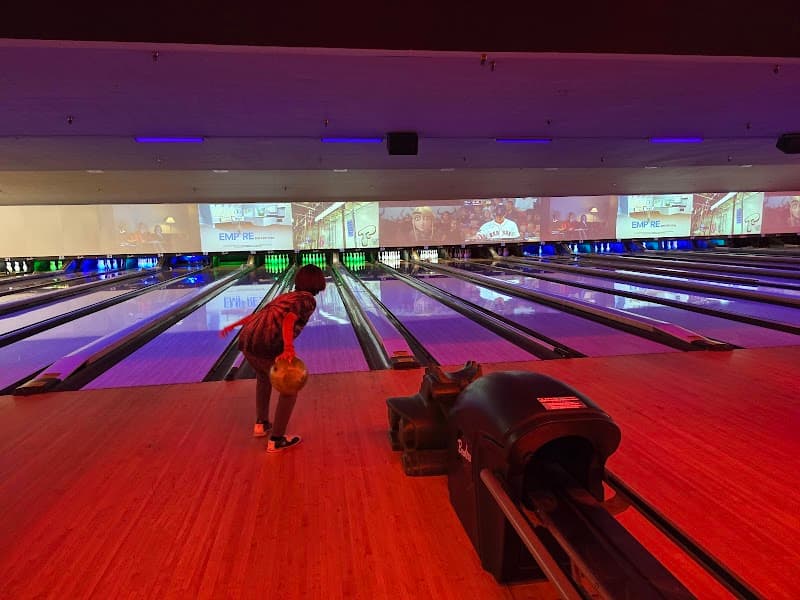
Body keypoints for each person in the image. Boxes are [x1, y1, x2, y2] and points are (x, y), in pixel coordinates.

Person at [220, 264, 326, 452]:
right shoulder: (307, 300)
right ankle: (277, 439)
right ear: (319, 282)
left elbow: (258, 315)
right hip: (266, 344)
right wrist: (288, 347)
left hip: (247, 342)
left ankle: (261, 424)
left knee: (263, 378)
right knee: (289, 390)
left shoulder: (285, 296)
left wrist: (233, 326)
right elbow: (289, 320)